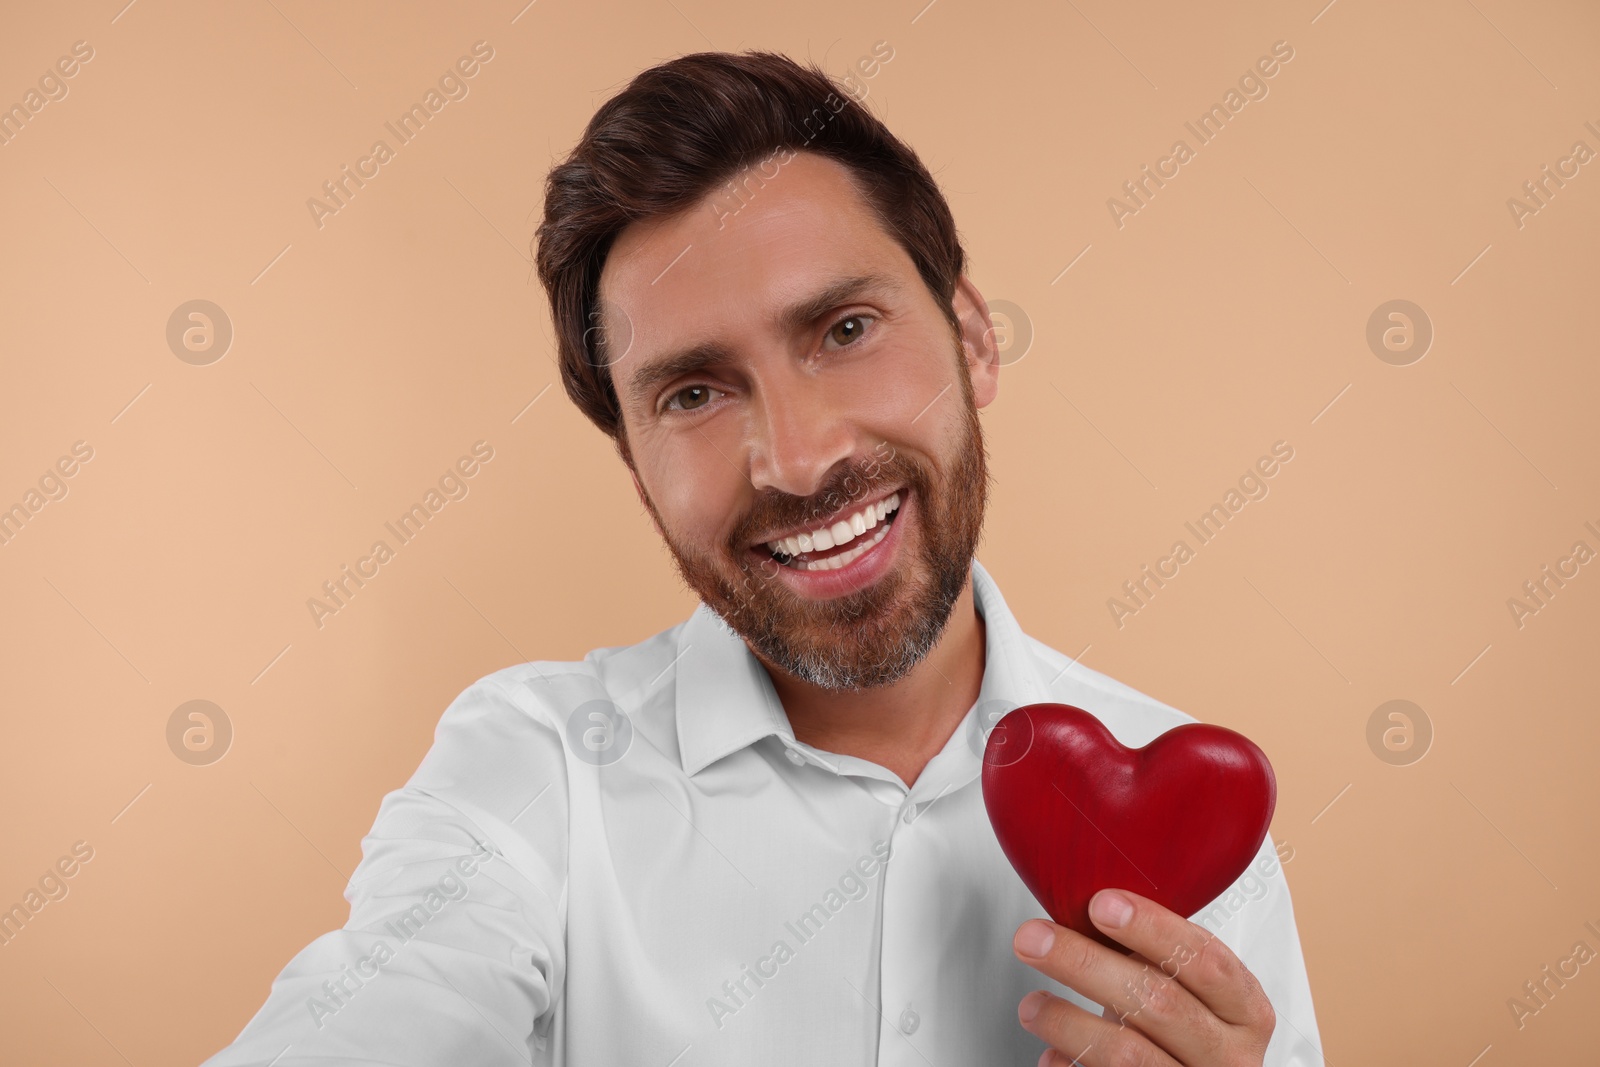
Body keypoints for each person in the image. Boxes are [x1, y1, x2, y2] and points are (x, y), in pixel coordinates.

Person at [203, 51, 1322, 1066]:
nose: (795, 458)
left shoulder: (1196, 829)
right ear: (638, 470)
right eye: (692, 391)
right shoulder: (535, 774)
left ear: (972, 337)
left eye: (843, 329)